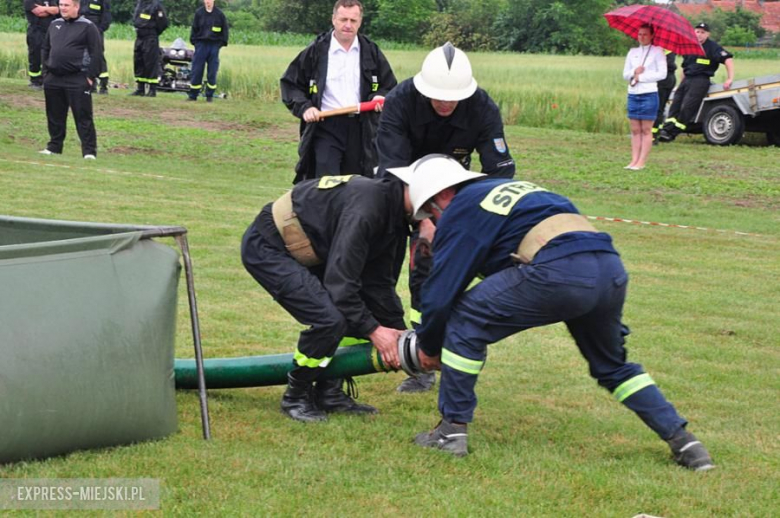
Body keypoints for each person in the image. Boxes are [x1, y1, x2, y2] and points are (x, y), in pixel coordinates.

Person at [387, 154, 715, 471]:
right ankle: (684, 441)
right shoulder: (508, 191)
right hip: (607, 269)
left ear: (442, 195)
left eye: (430, 212)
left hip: (558, 270)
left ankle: (451, 432)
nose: (432, 221)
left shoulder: (461, 208)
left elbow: (442, 291)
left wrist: (429, 346)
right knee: (612, 365)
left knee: (463, 318)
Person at [375, 42, 515, 393]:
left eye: (452, 99)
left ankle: (430, 357)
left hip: (456, 196)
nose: (445, 104)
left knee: (436, 274)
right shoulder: (401, 100)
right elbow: (391, 167)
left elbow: (499, 170)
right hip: (401, 192)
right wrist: (423, 215)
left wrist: (473, 219)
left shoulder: (482, 107)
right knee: (385, 274)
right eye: (438, 97)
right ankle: (398, 346)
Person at [241, 174, 408, 423]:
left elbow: (378, 284)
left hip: (310, 250)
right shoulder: (367, 209)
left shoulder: (391, 215)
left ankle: (329, 393)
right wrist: (374, 331)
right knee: (329, 320)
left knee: (351, 313)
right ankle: (296, 396)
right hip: (268, 246)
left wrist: (400, 333)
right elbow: (341, 283)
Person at [280, 0, 396, 184]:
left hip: (361, 128)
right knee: (327, 183)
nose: (348, 25)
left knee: (356, 185)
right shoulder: (315, 52)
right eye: (343, 19)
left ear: (360, 21)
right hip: (326, 126)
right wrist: (305, 108)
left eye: (353, 20)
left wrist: (379, 97)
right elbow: (291, 85)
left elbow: (388, 85)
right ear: (333, 19)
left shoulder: (371, 52)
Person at [39, 0, 102, 159]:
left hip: (77, 79)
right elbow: (46, 48)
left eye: (66, 5)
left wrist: (90, 77)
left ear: (76, 6)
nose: (62, 8)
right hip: (53, 78)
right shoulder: (54, 24)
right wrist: (46, 71)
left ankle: (88, 152)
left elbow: (96, 53)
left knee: (83, 116)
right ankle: (54, 147)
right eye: (61, 5)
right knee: (54, 115)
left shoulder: (88, 26)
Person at [658, 22, 734, 143]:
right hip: (687, 79)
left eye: (702, 32)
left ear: (708, 34)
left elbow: (728, 59)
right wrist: (681, 84)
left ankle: (672, 133)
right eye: (697, 31)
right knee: (675, 105)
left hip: (700, 80)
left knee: (687, 107)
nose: (699, 34)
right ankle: (665, 131)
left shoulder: (712, 47)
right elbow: (685, 66)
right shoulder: (690, 46)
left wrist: (729, 78)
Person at [622, 25, 666, 170]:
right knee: (635, 129)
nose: (642, 37)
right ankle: (633, 160)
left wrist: (642, 77)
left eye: (645, 34)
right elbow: (625, 74)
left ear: (652, 35)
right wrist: (634, 71)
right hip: (633, 93)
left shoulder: (657, 51)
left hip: (649, 93)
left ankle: (641, 161)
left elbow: (662, 74)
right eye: (640, 34)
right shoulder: (632, 52)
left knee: (646, 129)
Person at [187, 0, 228, 102]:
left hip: (214, 46)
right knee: (196, 70)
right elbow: (194, 29)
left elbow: (225, 31)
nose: (207, 2)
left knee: (212, 71)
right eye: (206, 0)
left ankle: (209, 95)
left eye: (209, 0)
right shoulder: (199, 13)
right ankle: (193, 95)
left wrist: (219, 44)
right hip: (201, 45)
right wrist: (196, 43)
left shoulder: (219, 15)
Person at [130, 0, 168, 97]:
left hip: (150, 37)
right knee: (139, 61)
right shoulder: (140, 3)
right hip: (139, 37)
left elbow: (163, 23)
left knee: (150, 63)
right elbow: (136, 18)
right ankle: (140, 88)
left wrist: (153, 32)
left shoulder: (156, 5)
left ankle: (152, 89)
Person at [24, 0, 59, 90]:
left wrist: (43, 8)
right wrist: (49, 10)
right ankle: (35, 81)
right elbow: (39, 13)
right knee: (35, 55)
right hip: (36, 30)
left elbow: (56, 10)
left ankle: (46, 80)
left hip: (49, 30)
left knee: (49, 55)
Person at [79, 0, 111, 94]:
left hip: (96, 29)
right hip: (82, 27)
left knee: (98, 56)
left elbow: (106, 17)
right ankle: (91, 84)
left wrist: (100, 29)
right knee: (83, 56)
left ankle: (103, 85)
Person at [652, 50, 677, 143]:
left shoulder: (664, 50)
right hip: (668, 79)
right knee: (659, 108)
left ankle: (653, 135)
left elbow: (669, 65)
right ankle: (655, 132)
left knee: (657, 107)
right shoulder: (668, 48)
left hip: (663, 80)